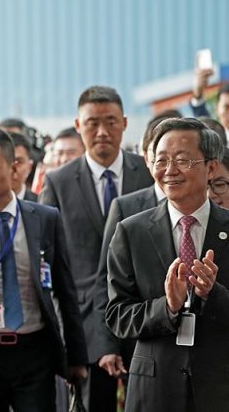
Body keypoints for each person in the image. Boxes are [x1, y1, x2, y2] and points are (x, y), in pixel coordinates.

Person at [0, 127, 87, 411]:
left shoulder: (44, 219)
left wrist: (76, 357)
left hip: (34, 350)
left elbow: (65, 291)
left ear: (14, 169)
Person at [39, 86, 154, 412]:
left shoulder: (149, 173)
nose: (102, 132)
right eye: (92, 123)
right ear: (78, 125)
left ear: (125, 123)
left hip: (143, 315)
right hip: (85, 321)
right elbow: (48, 258)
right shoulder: (58, 181)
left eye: (111, 122)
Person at [106, 118, 227, 411]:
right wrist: (168, 307)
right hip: (155, 388)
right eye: (161, 161)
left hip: (220, 385)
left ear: (211, 167)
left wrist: (213, 294)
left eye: (183, 160)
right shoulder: (131, 232)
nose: (169, 170)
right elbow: (117, 315)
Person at [88, 110, 171, 397]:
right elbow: (106, 280)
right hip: (138, 339)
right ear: (147, 157)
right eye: (161, 156)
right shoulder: (127, 207)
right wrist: (107, 345)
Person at [189, 63, 229, 141]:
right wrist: (198, 93)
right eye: (226, 107)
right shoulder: (213, 140)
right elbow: (205, 122)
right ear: (217, 108)